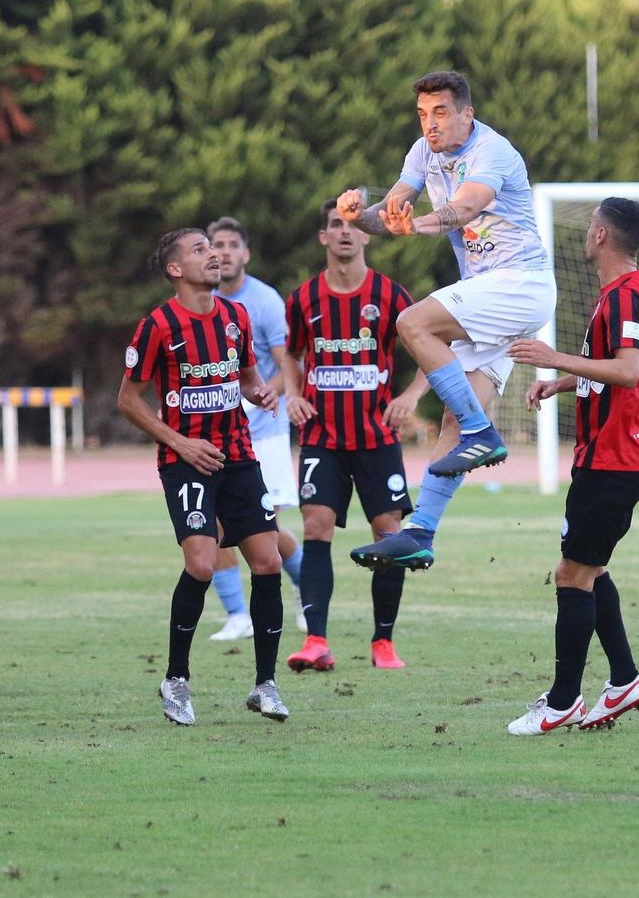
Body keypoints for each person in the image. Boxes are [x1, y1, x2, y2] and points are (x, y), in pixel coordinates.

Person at [338, 70, 556, 572]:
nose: (430, 125)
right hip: (492, 295)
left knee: (412, 324)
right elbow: (390, 211)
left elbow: (463, 208)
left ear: (466, 114)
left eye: (440, 112)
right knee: (454, 422)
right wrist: (359, 217)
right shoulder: (423, 152)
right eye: (422, 114)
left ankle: (484, 433)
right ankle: (419, 533)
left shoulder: (493, 152)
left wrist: (415, 224)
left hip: (519, 283)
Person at [116, 228, 290, 725]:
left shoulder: (236, 317)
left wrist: (260, 394)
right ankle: (175, 680)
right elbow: (128, 399)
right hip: (186, 460)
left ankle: (265, 685)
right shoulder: (157, 326)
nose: (214, 255)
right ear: (175, 269)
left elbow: (248, 378)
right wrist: (179, 441)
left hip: (237, 456)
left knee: (268, 561)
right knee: (201, 564)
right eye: (200, 250)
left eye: (214, 248)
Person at [506, 198, 639, 735]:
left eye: (591, 225)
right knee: (590, 569)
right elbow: (615, 370)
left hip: (613, 457)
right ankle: (624, 681)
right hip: (618, 453)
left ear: (600, 236)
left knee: (572, 574)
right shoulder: (628, 293)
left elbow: (626, 370)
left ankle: (562, 703)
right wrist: (563, 382)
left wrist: (554, 359)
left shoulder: (624, 296)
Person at [280, 198, 429, 672]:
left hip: (377, 437)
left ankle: (382, 643)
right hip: (323, 435)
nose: (344, 232)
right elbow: (289, 352)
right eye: (334, 225)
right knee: (315, 527)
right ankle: (316, 641)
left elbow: (435, 348)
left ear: (368, 235)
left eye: (354, 226)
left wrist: (411, 396)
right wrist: (291, 393)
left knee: (389, 535)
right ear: (323, 237)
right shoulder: (303, 299)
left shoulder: (390, 295)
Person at [203, 217, 305, 639]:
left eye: (231, 245)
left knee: (263, 528)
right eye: (215, 245)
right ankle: (237, 616)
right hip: (215, 437)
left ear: (245, 254)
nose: (223, 252)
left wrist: (265, 394)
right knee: (212, 523)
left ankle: (306, 588)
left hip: (262, 434)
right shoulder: (199, 303)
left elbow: (288, 362)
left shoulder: (262, 302)